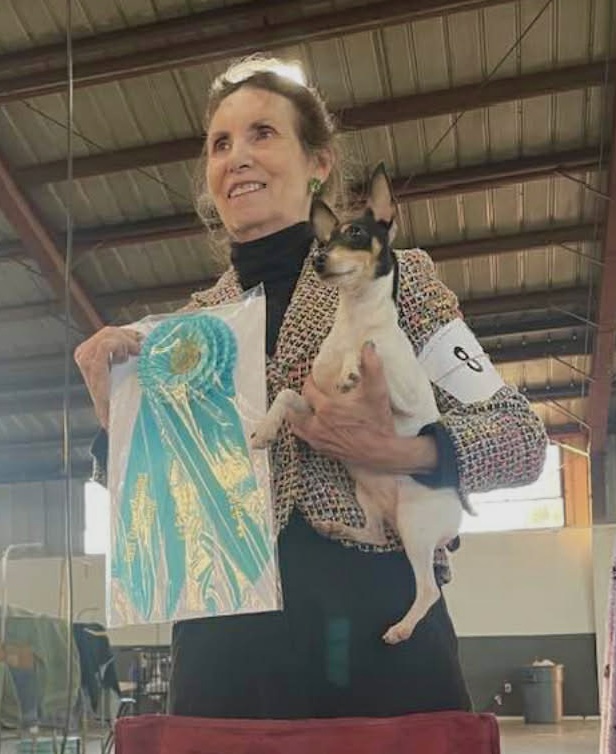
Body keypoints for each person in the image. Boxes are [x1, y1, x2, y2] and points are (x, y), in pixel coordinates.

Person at [75, 56, 548, 720]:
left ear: (319, 163)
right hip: (222, 672)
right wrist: (118, 421)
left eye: (262, 133)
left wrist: (398, 451)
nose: (237, 157)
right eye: (220, 144)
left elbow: (520, 438)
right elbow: (162, 511)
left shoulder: (401, 280)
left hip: (380, 654)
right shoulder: (178, 336)